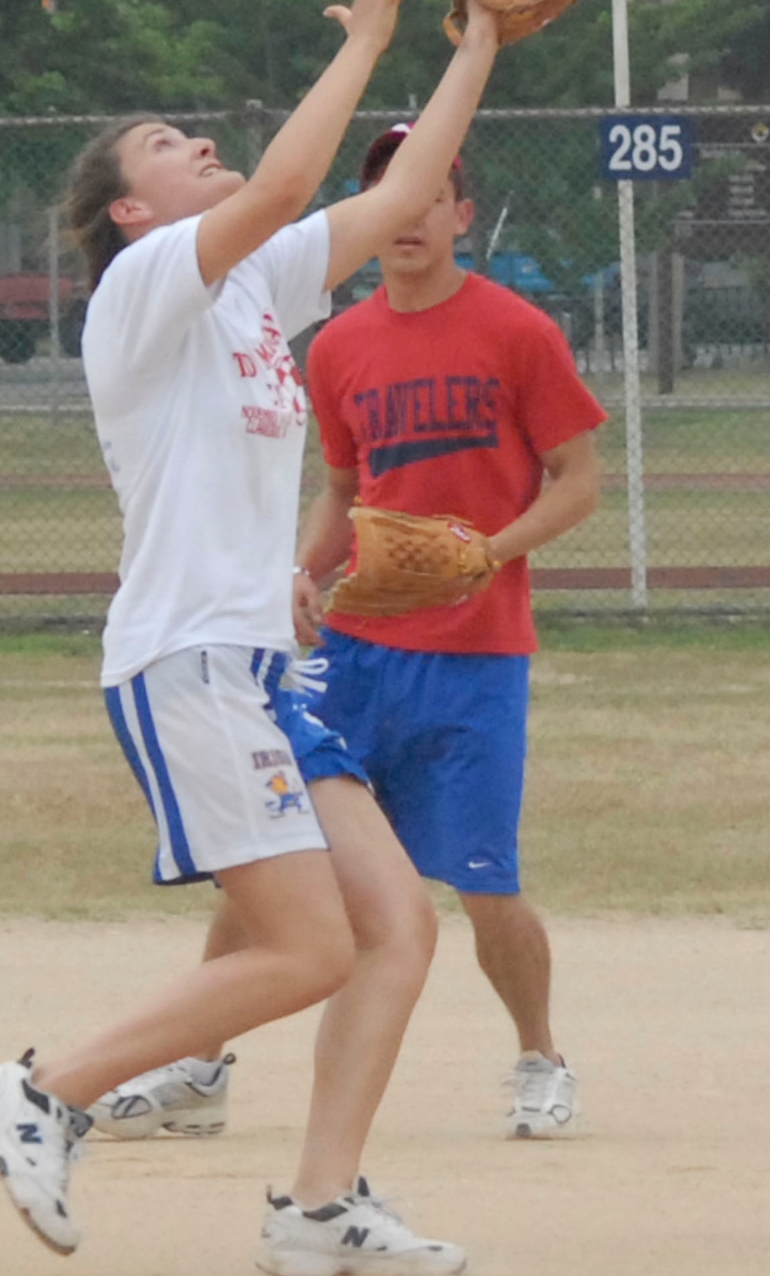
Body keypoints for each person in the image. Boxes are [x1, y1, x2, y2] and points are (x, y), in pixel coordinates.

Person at [0, 0, 505, 1276]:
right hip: (186, 662)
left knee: (397, 925)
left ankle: (319, 1208)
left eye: (192, 134)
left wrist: (482, 41)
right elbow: (282, 183)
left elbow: (394, 197)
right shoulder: (146, 284)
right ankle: (46, 1087)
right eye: (164, 147)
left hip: (257, 663)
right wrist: (371, 34)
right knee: (311, 942)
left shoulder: (253, 290)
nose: (195, 145)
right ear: (128, 211)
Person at [95, 125, 606, 1144]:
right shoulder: (336, 343)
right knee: (271, 844)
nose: (405, 213)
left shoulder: (516, 331)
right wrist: (304, 570)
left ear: (460, 214)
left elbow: (580, 481)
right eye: (383, 193)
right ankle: (199, 1067)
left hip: (475, 643)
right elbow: (340, 489)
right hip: (352, 651)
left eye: (426, 194)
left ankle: (539, 1053)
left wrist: (490, 549)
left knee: (479, 876)